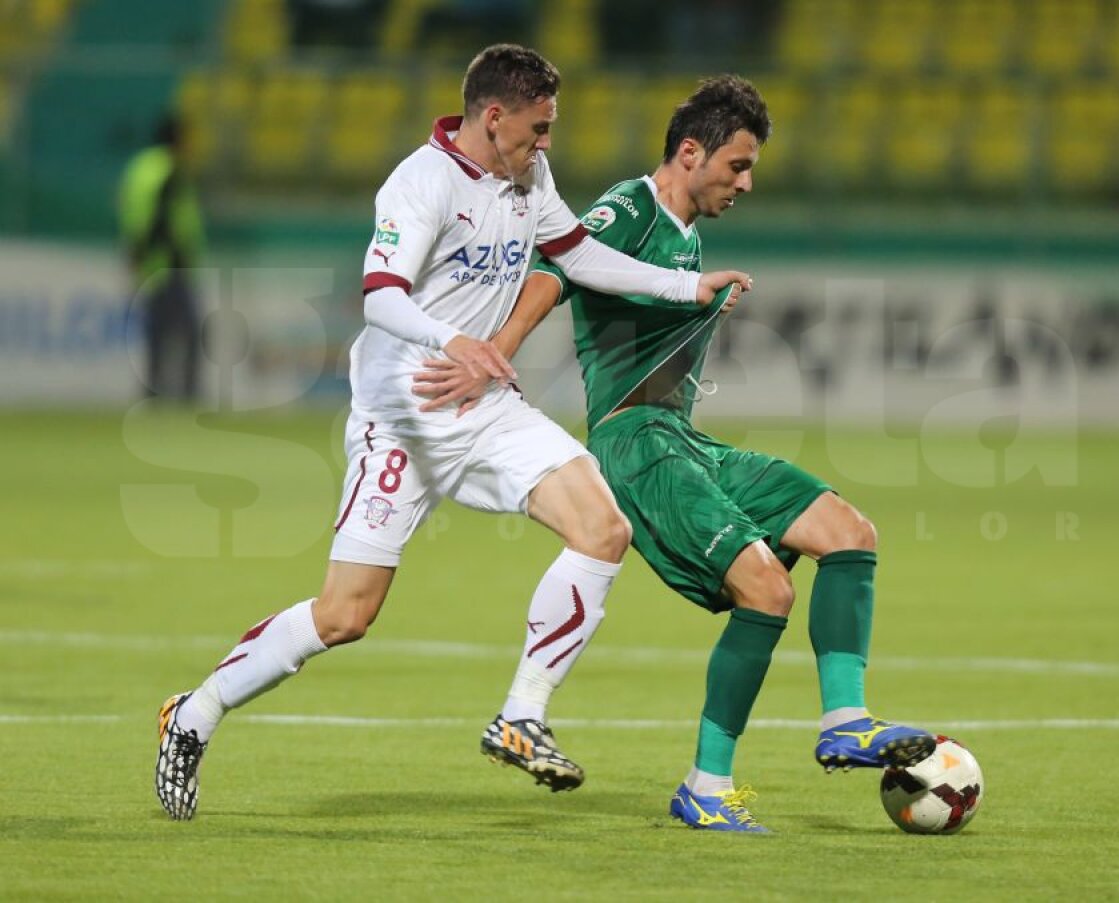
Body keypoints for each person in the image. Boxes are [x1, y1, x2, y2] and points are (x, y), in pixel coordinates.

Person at [154, 45, 750, 821]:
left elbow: (577, 253)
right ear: (493, 117)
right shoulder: (421, 183)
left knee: (604, 525)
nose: (547, 145)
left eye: (551, 130)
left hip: (486, 409)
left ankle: (521, 714)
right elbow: (379, 296)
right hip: (402, 420)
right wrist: (453, 341)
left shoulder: (527, 177)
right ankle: (194, 714)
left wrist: (683, 284)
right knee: (345, 615)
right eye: (538, 129)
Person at [414, 75, 933, 834]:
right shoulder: (631, 206)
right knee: (768, 591)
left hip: (683, 440)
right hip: (636, 445)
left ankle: (846, 720)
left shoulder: (689, 234)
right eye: (738, 165)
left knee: (849, 531)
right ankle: (707, 786)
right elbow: (556, 267)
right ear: (690, 153)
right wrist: (495, 350)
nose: (746, 183)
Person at [117, 114, 205, 401]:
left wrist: (136, 252)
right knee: (189, 332)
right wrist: (172, 254)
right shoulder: (170, 170)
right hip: (169, 263)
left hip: (148, 263)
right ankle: (186, 395)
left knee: (156, 333)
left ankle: (152, 393)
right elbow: (161, 217)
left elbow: (133, 211)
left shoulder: (139, 168)